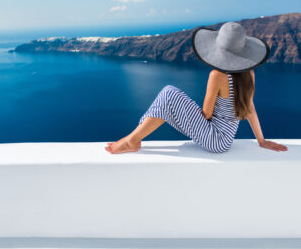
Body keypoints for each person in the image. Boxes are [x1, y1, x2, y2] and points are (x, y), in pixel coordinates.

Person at [105, 22, 288, 154]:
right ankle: (132, 138)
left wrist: (180, 112)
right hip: (226, 141)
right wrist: (261, 141)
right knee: (168, 103)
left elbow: (206, 115)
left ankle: (132, 140)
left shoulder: (218, 75)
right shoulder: (250, 74)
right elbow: (250, 108)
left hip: (214, 140)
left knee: (169, 94)